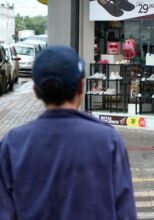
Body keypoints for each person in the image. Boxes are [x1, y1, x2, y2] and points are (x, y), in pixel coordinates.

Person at [0, 46, 137, 220]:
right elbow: (125, 213)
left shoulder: (13, 144)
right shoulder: (108, 140)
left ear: (36, 91)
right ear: (81, 86)